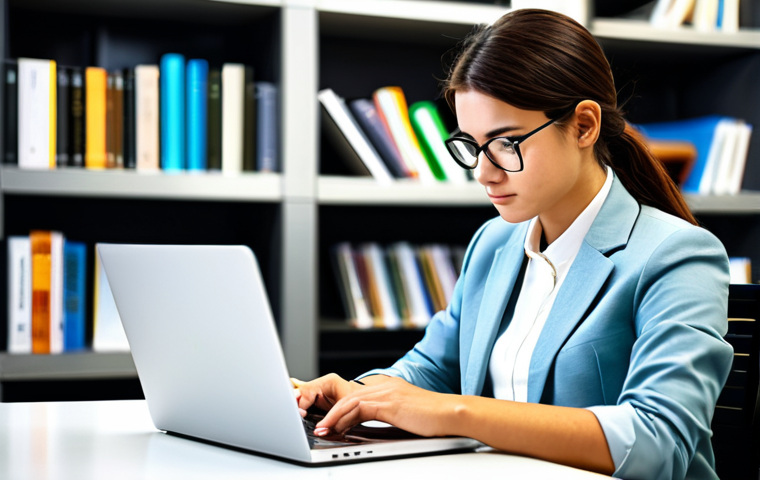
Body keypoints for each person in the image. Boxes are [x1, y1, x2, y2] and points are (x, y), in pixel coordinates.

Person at [293, 9, 733, 480]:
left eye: (506, 143)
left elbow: (657, 441)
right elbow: (433, 368)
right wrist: (358, 394)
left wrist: (455, 412)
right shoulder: (494, 242)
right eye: (472, 144)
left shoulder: (677, 255)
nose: (483, 172)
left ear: (584, 126)